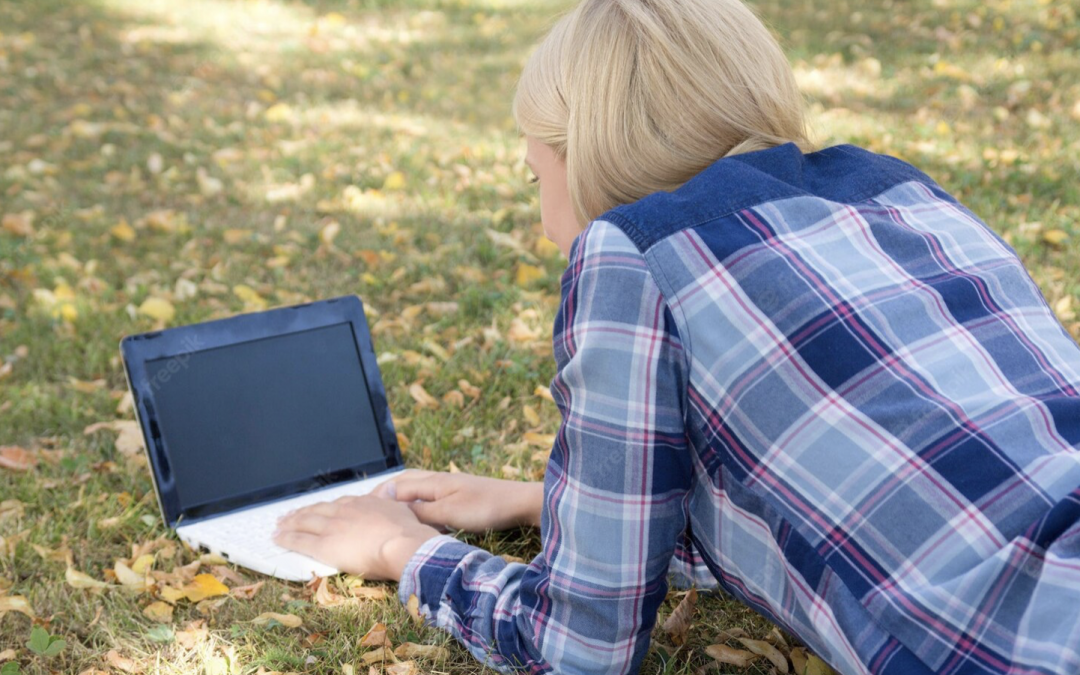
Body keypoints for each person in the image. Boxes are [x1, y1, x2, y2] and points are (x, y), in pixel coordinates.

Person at [272, 0, 1080, 672]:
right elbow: (863, 508)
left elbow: (581, 647)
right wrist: (541, 505)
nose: (547, 218)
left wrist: (401, 551)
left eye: (536, 177)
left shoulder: (634, 251)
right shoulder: (903, 191)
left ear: (580, 153)